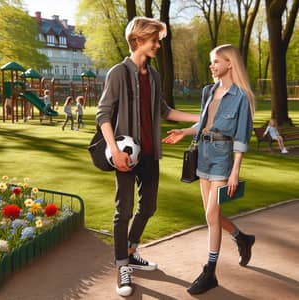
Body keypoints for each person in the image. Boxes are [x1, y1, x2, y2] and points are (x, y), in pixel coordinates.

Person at [96, 16, 198, 297]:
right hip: (126, 157)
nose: (158, 45)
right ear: (138, 40)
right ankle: (122, 266)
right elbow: (103, 114)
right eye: (154, 40)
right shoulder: (117, 73)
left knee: (149, 207)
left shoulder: (153, 76)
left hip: (151, 155)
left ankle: (129, 250)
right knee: (124, 211)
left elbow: (165, 111)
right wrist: (115, 151)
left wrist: (200, 117)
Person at [163, 44, 256, 295]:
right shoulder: (208, 91)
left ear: (230, 64)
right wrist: (184, 131)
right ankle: (242, 238)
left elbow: (240, 138)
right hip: (203, 155)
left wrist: (235, 170)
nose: (212, 65)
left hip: (223, 158)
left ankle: (210, 271)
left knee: (211, 215)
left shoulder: (241, 98)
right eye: (211, 61)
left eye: (216, 61)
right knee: (211, 215)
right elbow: (203, 124)